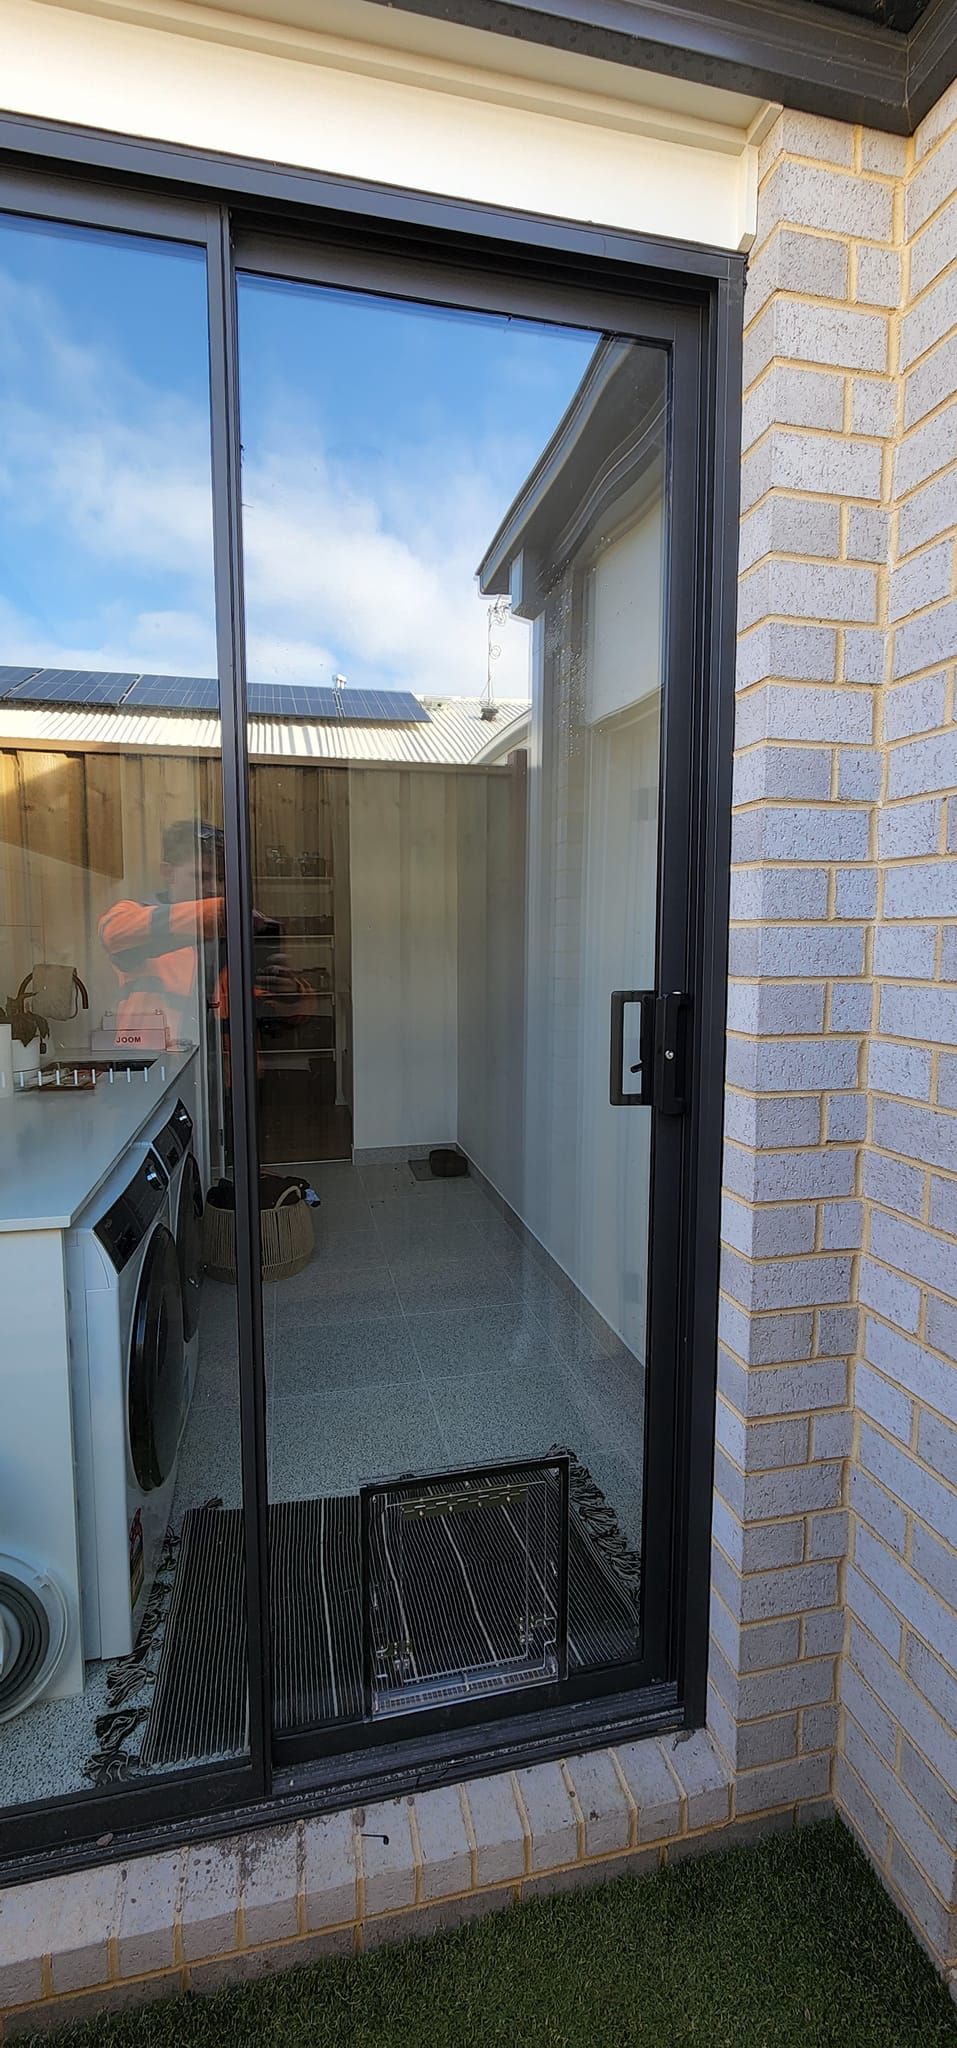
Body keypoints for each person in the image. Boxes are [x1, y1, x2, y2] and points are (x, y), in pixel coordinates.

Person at [99, 820, 231, 1050]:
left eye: (221, 879)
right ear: (168, 873)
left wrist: (291, 998)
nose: (215, 889)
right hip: (152, 1070)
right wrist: (219, 914)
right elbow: (112, 933)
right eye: (202, 876)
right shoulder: (132, 915)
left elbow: (279, 1018)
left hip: (222, 1072)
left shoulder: (228, 925)